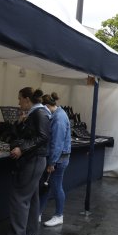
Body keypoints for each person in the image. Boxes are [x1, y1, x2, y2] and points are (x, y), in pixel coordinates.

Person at [0, 88, 50, 235]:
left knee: (19, 198)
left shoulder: (39, 113)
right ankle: (29, 231)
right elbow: (32, 135)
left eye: (20, 99)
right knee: (31, 197)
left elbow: (42, 137)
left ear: (27, 99)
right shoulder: (35, 113)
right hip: (35, 159)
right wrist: (21, 123)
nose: (18, 102)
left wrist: (22, 149)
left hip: (32, 160)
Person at [39, 92, 71, 227]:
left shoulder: (58, 118)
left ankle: (59, 215)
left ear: (46, 106)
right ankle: (38, 213)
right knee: (48, 187)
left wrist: (52, 162)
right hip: (58, 158)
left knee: (56, 186)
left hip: (58, 160)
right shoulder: (58, 115)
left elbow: (57, 143)